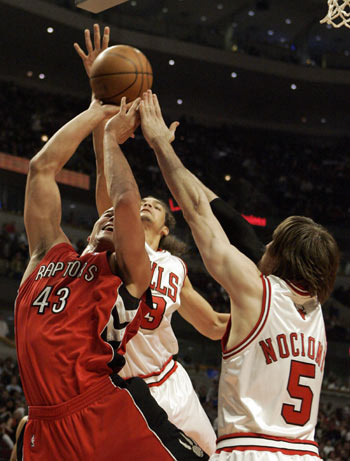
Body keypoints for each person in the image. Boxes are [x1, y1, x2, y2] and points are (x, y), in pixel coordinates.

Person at [138, 89, 341, 461]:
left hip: (250, 451)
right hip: (306, 453)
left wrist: (158, 146)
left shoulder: (257, 292)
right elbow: (236, 226)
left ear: (280, 255)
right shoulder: (317, 309)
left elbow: (199, 213)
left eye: (272, 243)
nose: (264, 246)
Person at [15, 96, 208, 460]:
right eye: (102, 217)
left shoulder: (128, 272)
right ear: (89, 231)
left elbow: (123, 203)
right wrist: (95, 111)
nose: (114, 217)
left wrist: (109, 137)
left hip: (102, 407)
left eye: (123, 221)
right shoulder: (46, 254)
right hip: (44, 419)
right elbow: (41, 168)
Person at [74, 24, 228, 455]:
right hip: (122, 387)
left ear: (165, 229)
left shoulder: (175, 269)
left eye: (156, 207)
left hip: (172, 383)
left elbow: (214, 324)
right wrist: (101, 107)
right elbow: (109, 186)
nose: (146, 206)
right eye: (143, 202)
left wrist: (275, 316)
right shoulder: (118, 244)